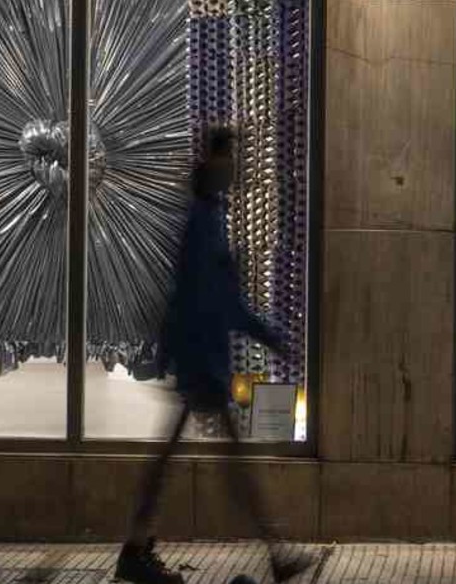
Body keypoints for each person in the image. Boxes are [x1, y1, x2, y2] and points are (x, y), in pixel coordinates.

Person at [115, 126, 314, 584]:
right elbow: (211, 299)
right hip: (202, 361)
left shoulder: (206, 216)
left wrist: (259, 334)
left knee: (183, 461)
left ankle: (137, 547)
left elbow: (208, 296)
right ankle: (274, 553)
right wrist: (264, 335)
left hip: (199, 359)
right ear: (216, 162)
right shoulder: (204, 222)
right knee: (227, 466)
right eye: (230, 158)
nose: (234, 168)